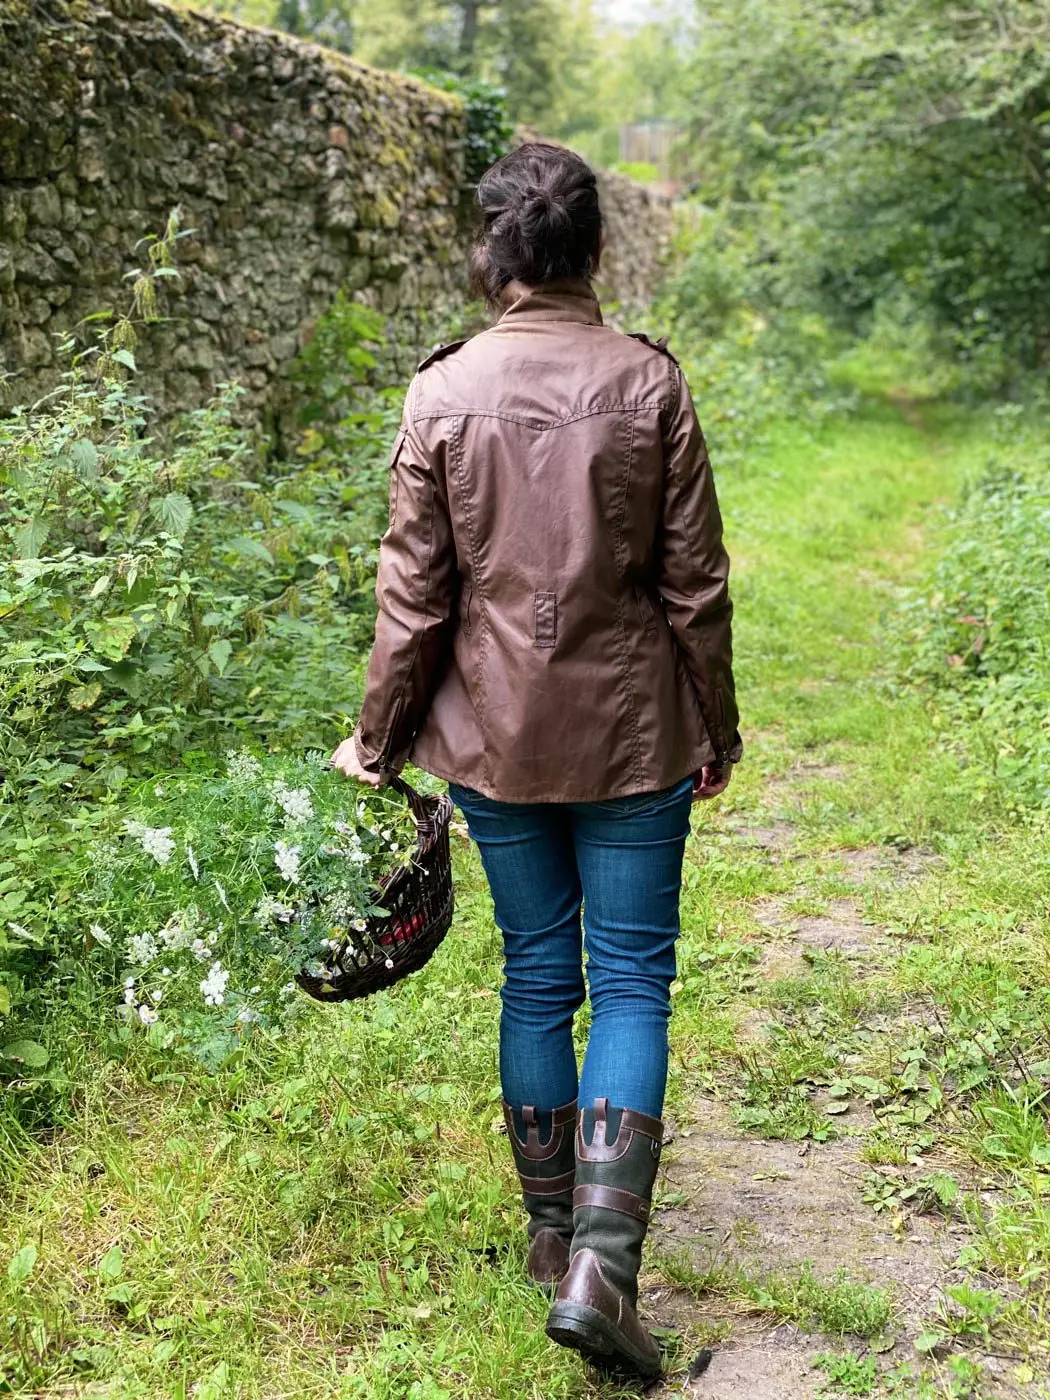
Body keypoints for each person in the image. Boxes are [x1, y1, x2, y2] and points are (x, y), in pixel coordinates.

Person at [331, 141, 741, 1378]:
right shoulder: (650, 382)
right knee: (630, 982)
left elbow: (416, 602)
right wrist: (715, 728)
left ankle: (547, 1232)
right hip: (634, 734)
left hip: (494, 744)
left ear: (493, 251)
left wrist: (377, 737)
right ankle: (602, 1273)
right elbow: (696, 587)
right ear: (594, 251)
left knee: (534, 978)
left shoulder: (441, 392)